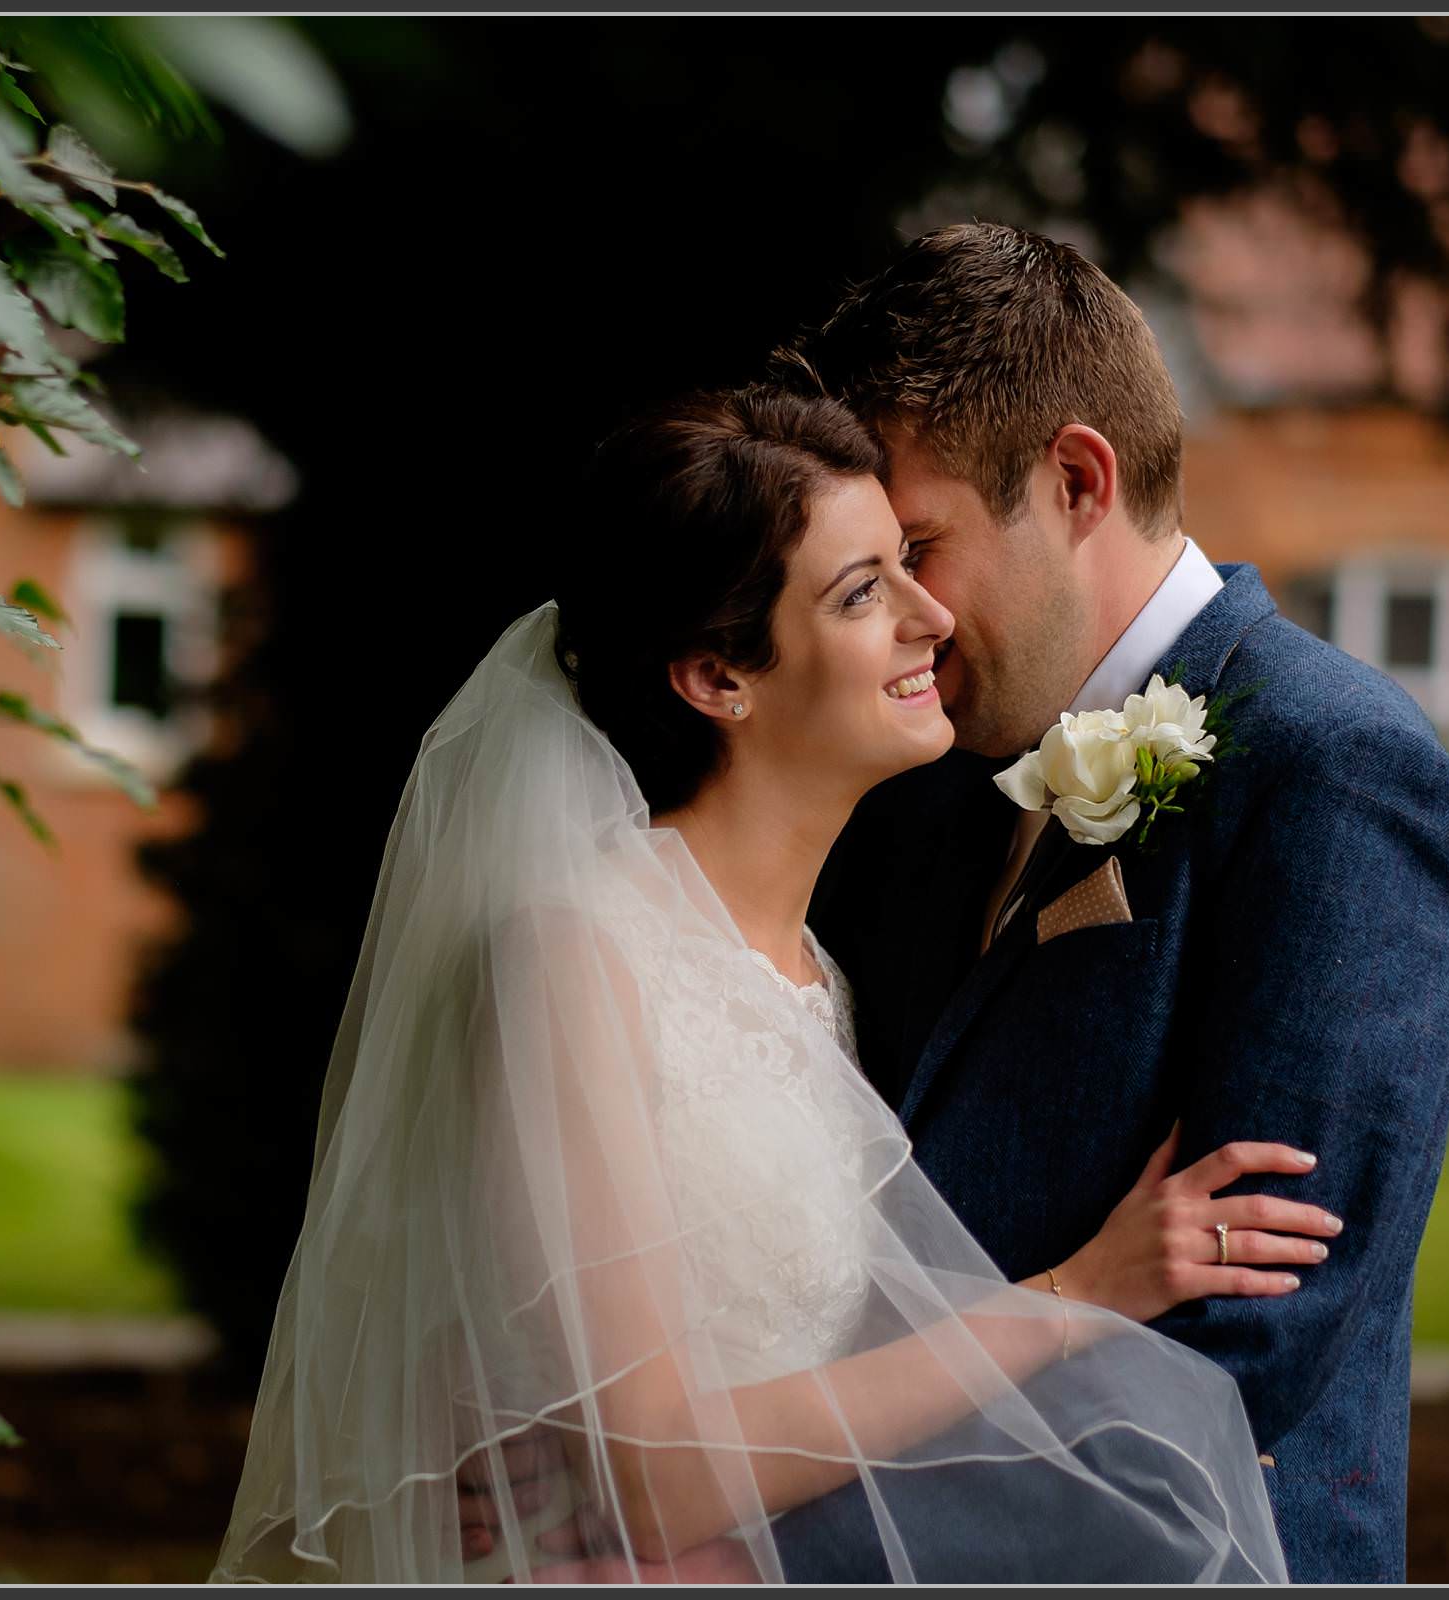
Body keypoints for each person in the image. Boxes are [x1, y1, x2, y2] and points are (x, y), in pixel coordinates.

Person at [211, 387, 1329, 1584]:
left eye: (908, 563)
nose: (930, 613)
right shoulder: (579, 951)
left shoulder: (818, 975)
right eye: (861, 592)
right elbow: (652, 1476)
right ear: (716, 679)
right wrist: (1070, 1300)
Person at [757, 223, 1449, 1583]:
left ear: (1077, 480)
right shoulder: (927, 774)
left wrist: (775, 1523)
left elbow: (1246, 1349)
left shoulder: (1335, 768)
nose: (903, 616)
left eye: (921, 546)